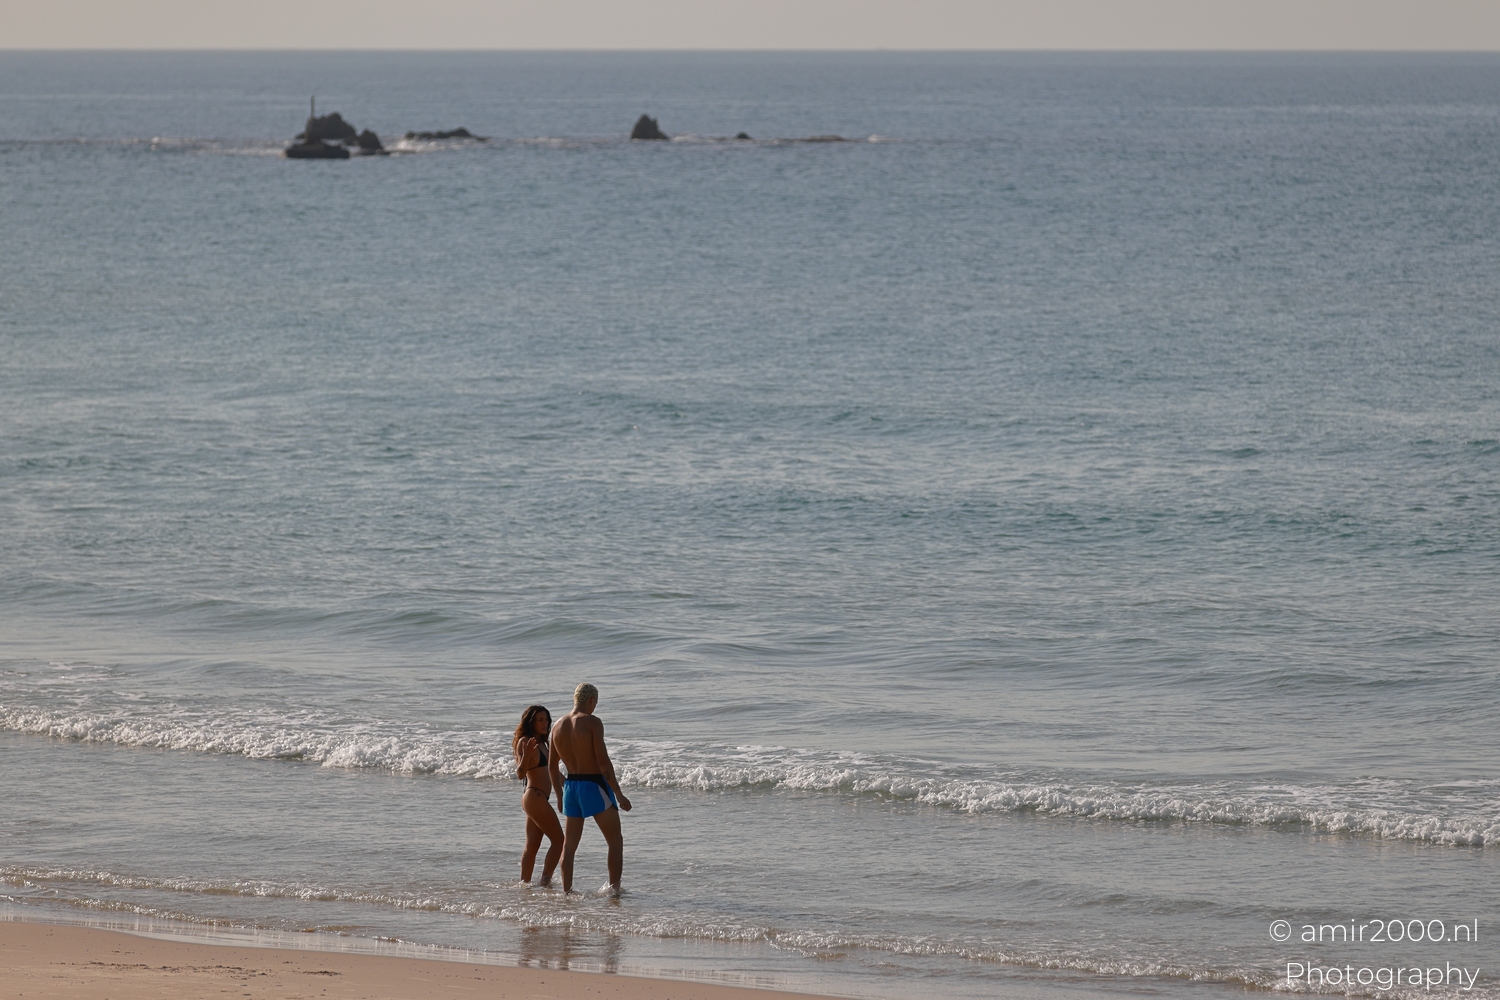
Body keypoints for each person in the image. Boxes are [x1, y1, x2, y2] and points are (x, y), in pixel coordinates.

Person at [548, 682, 632, 893]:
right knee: (615, 840)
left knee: (569, 847)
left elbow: (551, 767)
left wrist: (559, 795)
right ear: (591, 700)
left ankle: (566, 892)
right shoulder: (592, 722)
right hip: (593, 785)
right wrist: (619, 794)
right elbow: (603, 762)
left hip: (571, 787)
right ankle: (614, 890)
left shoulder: (557, 725)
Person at [512, 704, 563, 886]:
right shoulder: (525, 741)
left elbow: (553, 772)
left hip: (538, 798)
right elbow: (519, 774)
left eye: (546, 720)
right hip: (534, 796)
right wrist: (526, 756)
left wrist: (572, 784)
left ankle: (524, 885)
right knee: (559, 840)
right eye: (540, 720)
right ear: (531, 722)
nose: (544, 723)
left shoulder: (543, 743)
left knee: (532, 845)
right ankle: (545, 881)